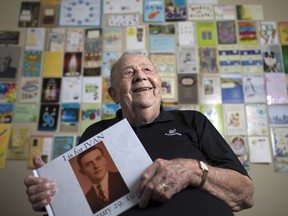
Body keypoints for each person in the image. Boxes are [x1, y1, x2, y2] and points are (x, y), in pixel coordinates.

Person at [24, 53, 254, 216]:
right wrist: (51, 197)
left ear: (158, 86)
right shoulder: (97, 133)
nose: (140, 76)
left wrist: (193, 170)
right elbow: (81, 204)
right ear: (113, 94)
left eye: (147, 70)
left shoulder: (192, 121)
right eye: (128, 72)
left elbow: (245, 194)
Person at [76, 145, 129, 213]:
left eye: (98, 159)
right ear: (82, 172)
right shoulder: (87, 199)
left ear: (105, 159)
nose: (96, 166)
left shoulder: (124, 177)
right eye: (89, 164)